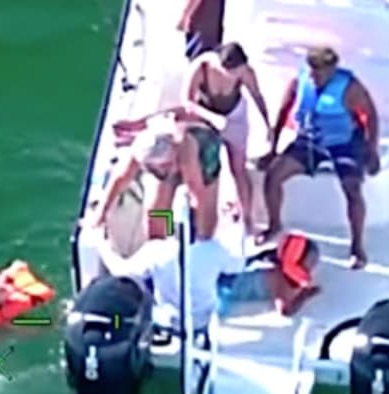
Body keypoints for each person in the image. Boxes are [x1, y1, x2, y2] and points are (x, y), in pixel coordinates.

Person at [258, 46, 381, 268]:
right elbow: (285, 108)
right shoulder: (301, 81)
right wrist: (273, 148)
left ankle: (357, 246)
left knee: (352, 188)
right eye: (312, 72)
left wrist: (371, 151)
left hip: (342, 142)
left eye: (320, 73)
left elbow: (370, 115)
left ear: (332, 71)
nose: (314, 77)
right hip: (309, 142)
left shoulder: (349, 87)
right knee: (273, 175)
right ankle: (274, 225)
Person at [180, 42, 272, 233]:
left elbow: (257, 95)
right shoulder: (202, 66)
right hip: (206, 119)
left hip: (232, 116)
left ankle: (244, 221)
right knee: (193, 186)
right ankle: (185, 230)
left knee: (233, 170)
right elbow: (185, 101)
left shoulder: (157, 163)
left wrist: (267, 125)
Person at [96, 112, 225, 240]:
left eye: (167, 165)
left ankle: (200, 241)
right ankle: (167, 237)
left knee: (204, 226)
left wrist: (193, 226)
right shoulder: (140, 150)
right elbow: (119, 179)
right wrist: (101, 214)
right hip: (165, 155)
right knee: (156, 218)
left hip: (202, 155)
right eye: (160, 167)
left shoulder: (186, 152)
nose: (166, 169)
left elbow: (197, 193)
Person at [92, 226, 240, 332]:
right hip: (201, 321)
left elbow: (121, 271)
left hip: (165, 321)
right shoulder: (213, 250)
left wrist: (102, 245)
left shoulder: (157, 250)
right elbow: (239, 264)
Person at [217, 232, 322, 317]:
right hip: (226, 289)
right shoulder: (284, 283)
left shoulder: (276, 268)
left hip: (230, 278)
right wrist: (304, 295)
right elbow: (285, 310)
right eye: (311, 263)